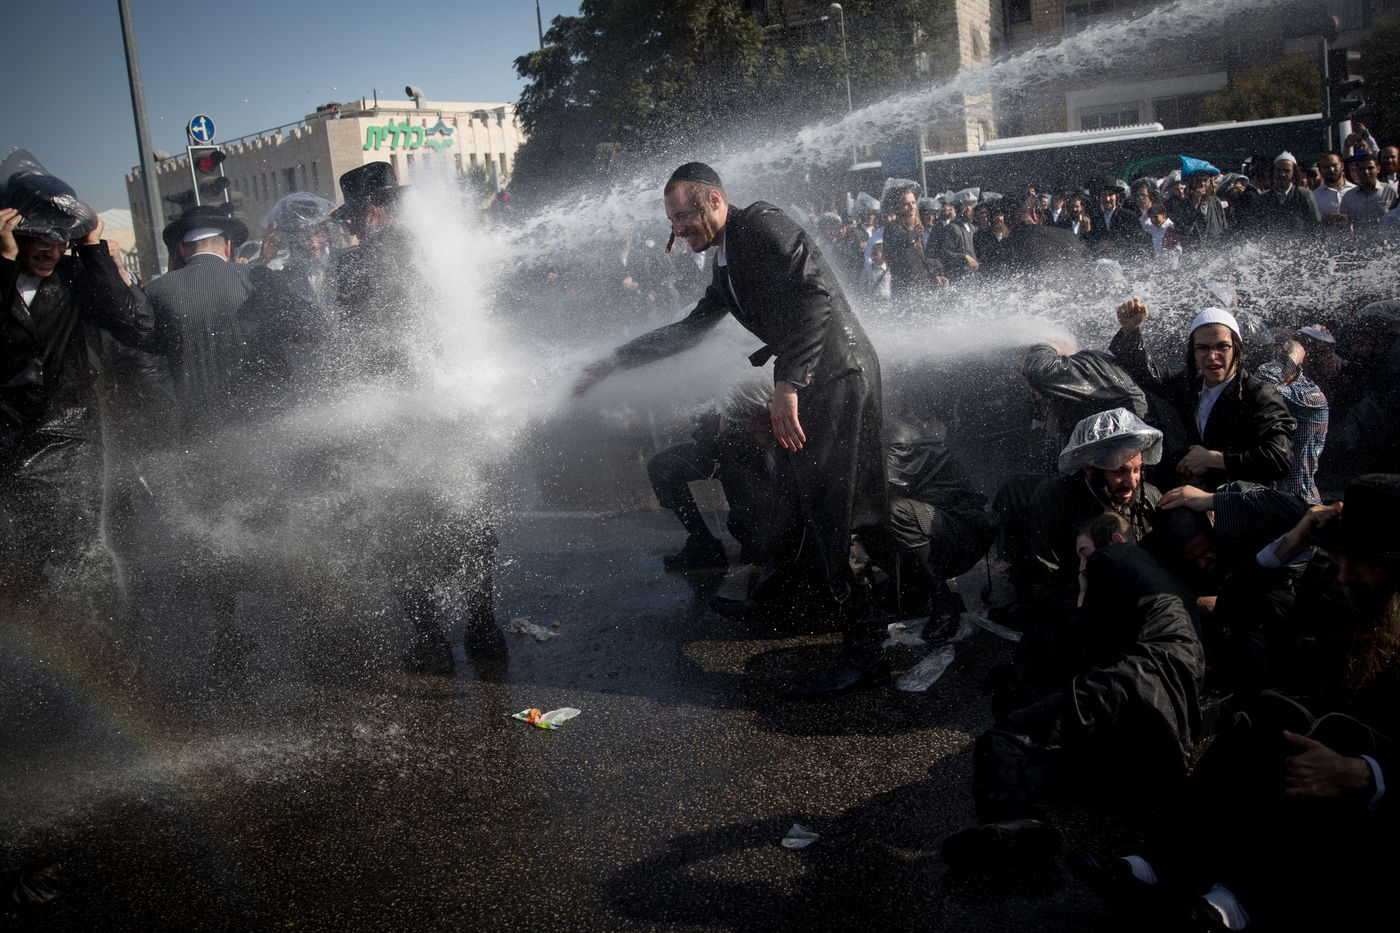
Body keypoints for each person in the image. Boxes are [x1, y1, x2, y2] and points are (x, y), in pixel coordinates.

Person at [574, 161, 890, 696]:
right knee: (807, 501)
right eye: (671, 219)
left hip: (837, 379)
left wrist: (787, 384)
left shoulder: (762, 224)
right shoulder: (725, 260)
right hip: (813, 382)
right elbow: (691, 329)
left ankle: (867, 649)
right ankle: (796, 600)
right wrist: (616, 360)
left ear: (714, 201)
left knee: (837, 509)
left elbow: (816, 298)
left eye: (683, 215)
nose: (677, 228)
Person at [1071, 475, 1400, 931]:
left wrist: (1364, 773)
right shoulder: (1343, 584)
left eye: (1365, 563)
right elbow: (1236, 607)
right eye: (1344, 556)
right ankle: (1159, 865)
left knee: (1328, 740)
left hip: (1374, 784)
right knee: (1266, 714)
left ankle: (1236, 904)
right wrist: (1289, 543)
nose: (1345, 572)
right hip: (1334, 742)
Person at [942, 511, 1204, 869]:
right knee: (1050, 760)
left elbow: (1082, 643)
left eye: (1083, 553)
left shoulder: (1111, 557)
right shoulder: (1163, 580)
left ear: (1113, 541)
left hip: (1136, 681)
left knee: (1001, 739)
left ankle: (1014, 822)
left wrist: (1084, 589)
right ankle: (1026, 815)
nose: (1082, 564)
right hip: (1171, 722)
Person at [328, 161, 503, 675]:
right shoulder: (443, 252)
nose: (351, 230)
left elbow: (352, 348)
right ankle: (483, 625)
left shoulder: (353, 266)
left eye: (353, 220)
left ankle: (430, 639)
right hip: (459, 408)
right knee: (472, 515)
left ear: (370, 213)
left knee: (399, 526)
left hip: (395, 419)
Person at [0, 153, 157, 621]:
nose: (50, 248)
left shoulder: (75, 277)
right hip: (6, 446)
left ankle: (108, 648)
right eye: (38, 237)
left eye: (59, 237)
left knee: (78, 558)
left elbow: (137, 327)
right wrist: (5, 265)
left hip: (69, 444)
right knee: (20, 568)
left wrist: (91, 246)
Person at [1109, 300, 1294, 490]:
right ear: (1193, 352)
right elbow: (1145, 374)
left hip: (1240, 506)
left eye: (1222, 346)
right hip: (1189, 496)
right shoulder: (1188, 386)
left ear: (1236, 349)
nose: (1212, 356)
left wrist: (1215, 459)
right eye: (1203, 348)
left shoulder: (1259, 394)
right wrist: (1131, 330)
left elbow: (1279, 458)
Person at [146, 205, 254, 435]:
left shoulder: (156, 289)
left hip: (193, 425)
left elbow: (147, 354)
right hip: (252, 419)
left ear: (183, 250)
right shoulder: (251, 277)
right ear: (227, 245)